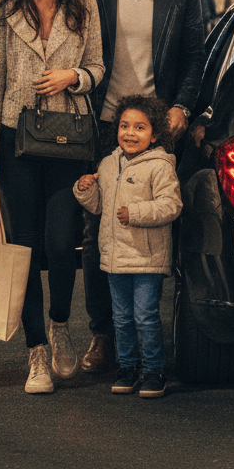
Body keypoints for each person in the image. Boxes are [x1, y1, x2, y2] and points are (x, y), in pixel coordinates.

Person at [0, 0, 105, 395]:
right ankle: (35, 354)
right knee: (25, 244)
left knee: (60, 238)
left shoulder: (84, 3)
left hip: (69, 138)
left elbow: (97, 68)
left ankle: (59, 325)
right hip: (17, 139)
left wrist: (73, 77)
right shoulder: (4, 9)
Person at [80, 0, 205, 375]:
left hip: (159, 130)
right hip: (103, 124)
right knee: (99, 231)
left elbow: (196, 55)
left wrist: (181, 106)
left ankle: (156, 330)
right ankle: (104, 334)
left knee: (160, 229)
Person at [73, 94, 182, 399]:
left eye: (140, 127)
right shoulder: (108, 164)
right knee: (121, 317)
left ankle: (154, 370)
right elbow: (99, 208)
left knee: (145, 316)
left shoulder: (160, 166)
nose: (130, 133)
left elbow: (171, 206)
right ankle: (127, 368)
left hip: (147, 257)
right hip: (115, 258)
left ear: (155, 134)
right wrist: (85, 190)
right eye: (124, 126)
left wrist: (135, 213)